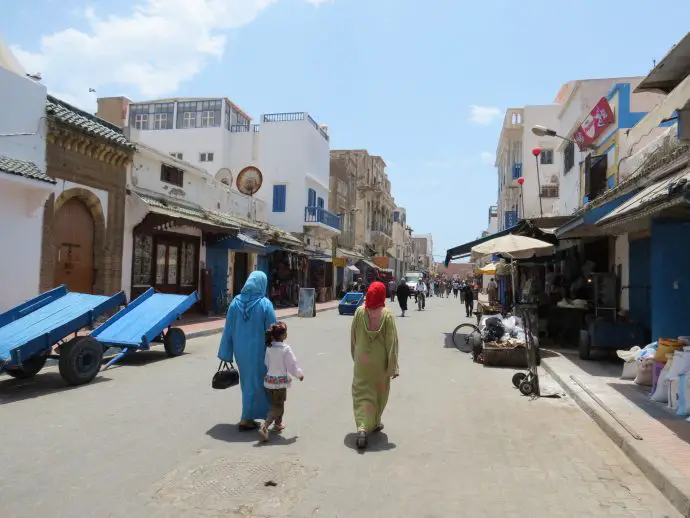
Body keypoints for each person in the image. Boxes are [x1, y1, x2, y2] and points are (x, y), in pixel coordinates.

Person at [218, 271, 277, 431]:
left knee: (247, 383)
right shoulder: (265, 304)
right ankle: (259, 416)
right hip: (261, 351)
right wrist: (278, 351)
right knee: (261, 382)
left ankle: (249, 416)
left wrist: (225, 353)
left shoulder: (234, 303)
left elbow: (228, 330)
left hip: (241, 352)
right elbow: (273, 329)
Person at [350, 281, 399, 450]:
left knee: (361, 392)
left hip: (362, 360)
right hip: (380, 362)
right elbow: (392, 342)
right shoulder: (387, 315)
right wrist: (392, 366)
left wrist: (355, 356)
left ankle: (362, 427)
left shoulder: (359, 312)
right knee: (379, 391)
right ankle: (375, 422)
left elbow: (354, 337)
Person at [259, 321, 304, 442]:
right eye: (286, 333)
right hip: (280, 382)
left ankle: (278, 423)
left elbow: (266, 363)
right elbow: (292, 364)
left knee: (276, 402)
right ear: (282, 335)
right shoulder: (285, 349)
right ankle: (265, 425)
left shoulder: (269, 348)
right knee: (278, 405)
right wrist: (299, 374)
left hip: (270, 380)